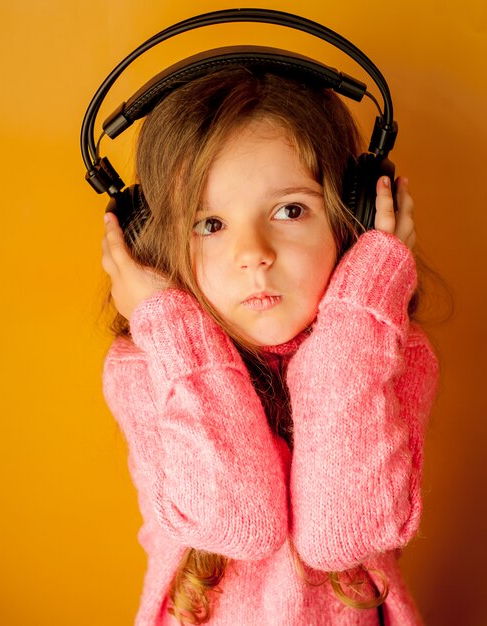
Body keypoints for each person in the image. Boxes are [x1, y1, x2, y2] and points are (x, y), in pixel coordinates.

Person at [100, 67, 439, 626]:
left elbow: (340, 533)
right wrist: (173, 330)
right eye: (209, 223)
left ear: (349, 217)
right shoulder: (149, 366)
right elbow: (240, 522)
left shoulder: (390, 352)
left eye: (290, 210)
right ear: (150, 245)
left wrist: (359, 321)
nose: (253, 253)